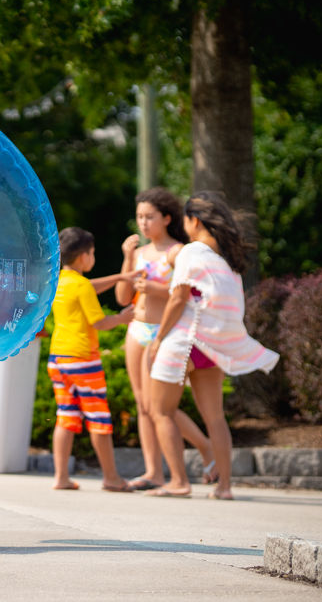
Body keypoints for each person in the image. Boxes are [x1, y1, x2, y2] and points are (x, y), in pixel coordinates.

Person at [144, 192, 279, 500]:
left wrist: (159, 338)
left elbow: (178, 298)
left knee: (159, 410)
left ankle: (179, 481)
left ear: (194, 221)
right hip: (213, 344)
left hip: (184, 339)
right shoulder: (227, 261)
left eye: (185, 221)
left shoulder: (191, 252)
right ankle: (225, 487)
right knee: (215, 417)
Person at [114, 188, 214, 491]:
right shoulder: (139, 254)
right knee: (143, 406)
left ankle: (204, 447)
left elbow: (184, 295)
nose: (143, 223)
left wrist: (155, 289)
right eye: (139, 217)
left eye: (149, 217)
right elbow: (122, 298)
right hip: (137, 330)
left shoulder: (177, 252)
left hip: (165, 332)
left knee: (159, 406)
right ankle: (153, 472)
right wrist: (127, 258)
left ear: (166, 218)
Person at [46, 227, 137, 493]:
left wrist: (121, 276)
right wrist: (122, 318)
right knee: (98, 418)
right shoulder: (82, 286)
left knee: (66, 417)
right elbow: (99, 321)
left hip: (59, 359)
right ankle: (111, 478)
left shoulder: (60, 281)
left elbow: (88, 287)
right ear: (84, 257)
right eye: (93, 253)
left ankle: (61, 478)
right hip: (83, 360)